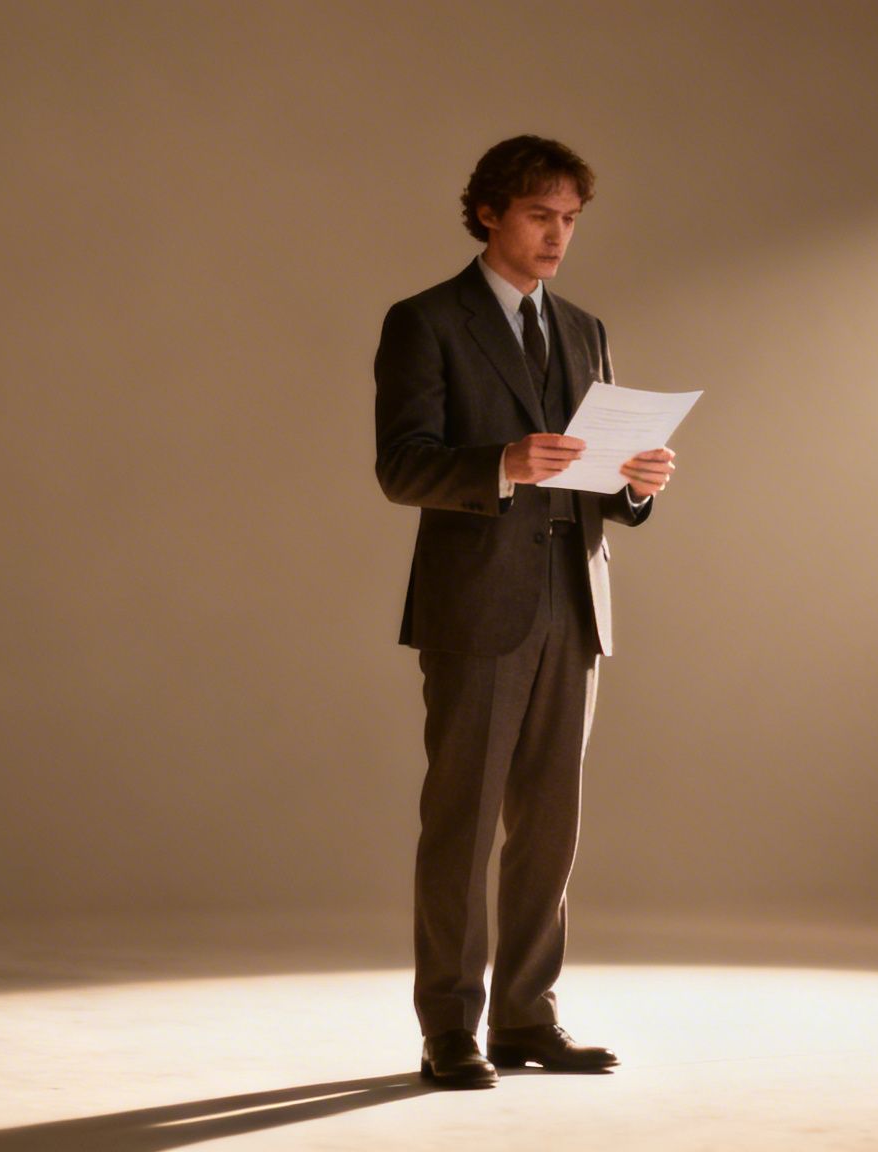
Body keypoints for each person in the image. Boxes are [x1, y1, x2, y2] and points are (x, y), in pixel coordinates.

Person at [372, 135, 675, 1089]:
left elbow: (603, 479)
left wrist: (640, 484)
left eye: (571, 220)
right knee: (462, 823)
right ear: (490, 212)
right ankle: (450, 1029)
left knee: (551, 825)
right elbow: (401, 466)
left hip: (575, 605)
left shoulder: (585, 328)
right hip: (477, 608)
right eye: (541, 216)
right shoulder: (425, 321)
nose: (558, 236)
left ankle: (527, 1018)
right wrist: (499, 465)